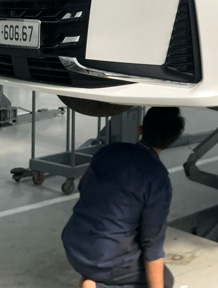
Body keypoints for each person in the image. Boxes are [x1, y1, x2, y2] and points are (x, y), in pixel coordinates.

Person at [62, 107, 185, 288]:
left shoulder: (109, 151)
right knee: (164, 280)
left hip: (74, 243)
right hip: (104, 257)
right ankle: (97, 284)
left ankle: (92, 275)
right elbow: (152, 243)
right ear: (174, 139)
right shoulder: (157, 178)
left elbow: (84, 187)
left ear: (140, 129)